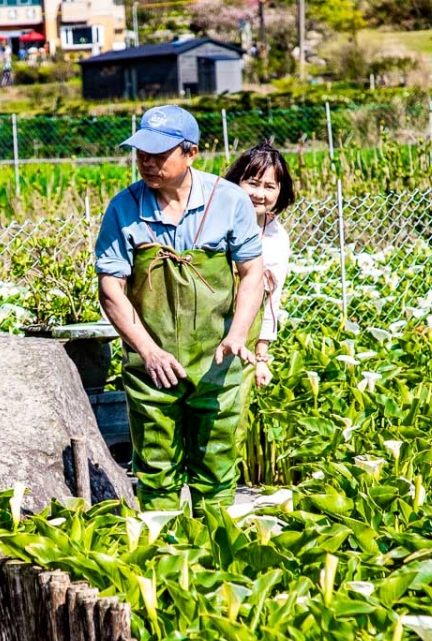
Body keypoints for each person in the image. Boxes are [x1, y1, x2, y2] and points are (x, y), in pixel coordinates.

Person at [95, 105, 264, 512]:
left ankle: (215, 556)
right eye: (141, 153)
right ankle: (163, 558)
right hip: (153, 362)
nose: (147, 163)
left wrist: (238, 334)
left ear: (191, 153)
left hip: (218, 358)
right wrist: (149, 351)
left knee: (216, 464)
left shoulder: (229, 200)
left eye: (159, 154)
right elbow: (110, 289)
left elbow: (252, 272)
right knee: (155, 468)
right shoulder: (124, 208)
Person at [224, 143, 297, 388]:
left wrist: (261, 357)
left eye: (269, 187)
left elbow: (271, 300)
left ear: (280, 192)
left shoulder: (276, 238)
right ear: (236, 183)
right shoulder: (215, 221)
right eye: (252, 183)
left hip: (245, 335)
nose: (260, 194)